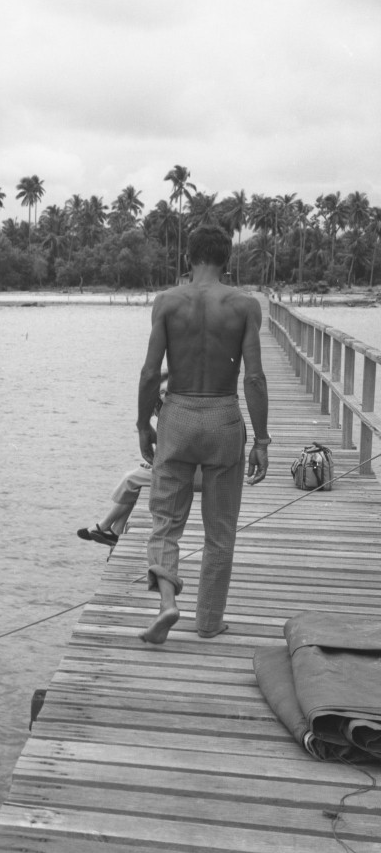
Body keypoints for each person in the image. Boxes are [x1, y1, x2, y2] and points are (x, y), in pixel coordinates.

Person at [136, 224, 270, 644]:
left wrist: (144, 425)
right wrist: (262, 440)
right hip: (222, 418)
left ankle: (167, 604)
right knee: (220, 530)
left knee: (165, 523)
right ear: (226, 259)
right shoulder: (245, 305)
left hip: (177, 416)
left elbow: (147, 373)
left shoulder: (167, 303)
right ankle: (209, 621)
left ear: (188, 259)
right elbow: (255, 379)